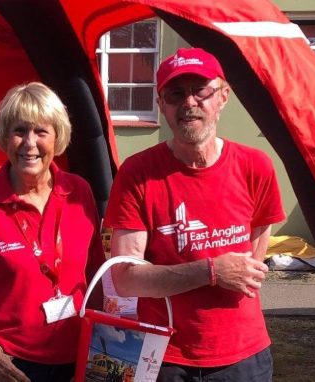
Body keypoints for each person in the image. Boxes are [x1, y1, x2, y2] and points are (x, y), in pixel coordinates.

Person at [104, 48, 286, 382]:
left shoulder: (254, 167)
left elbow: (251, 266)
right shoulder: (138, 173)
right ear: (162, 104)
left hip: (242, 357)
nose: (189, 102)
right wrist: (211, 271)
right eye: (176, 93)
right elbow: (126, 279)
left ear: (223, 96)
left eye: (201, 90)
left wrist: (229, 274)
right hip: (164, 358)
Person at [0, 82, 103, 382]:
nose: (30, 143)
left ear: (58, 137)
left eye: (41, 131)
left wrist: (101, 350)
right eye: (19, 130)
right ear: (5, 136)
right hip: (9, 368)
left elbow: (95, 277)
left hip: (76, 365)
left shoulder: (79, 192)